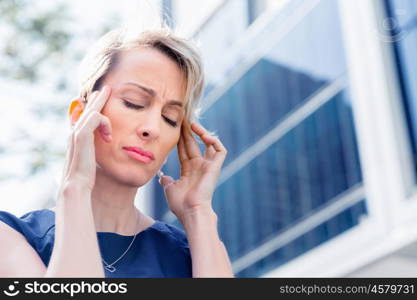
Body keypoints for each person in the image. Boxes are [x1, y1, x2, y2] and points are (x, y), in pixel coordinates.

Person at [0, 27, 234, 278]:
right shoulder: (14, 237)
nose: (152, 129)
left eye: (170, 118)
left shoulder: (191, 254)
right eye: (134, 102)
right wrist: (75, 187)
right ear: (81, 115)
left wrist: (197, 210)